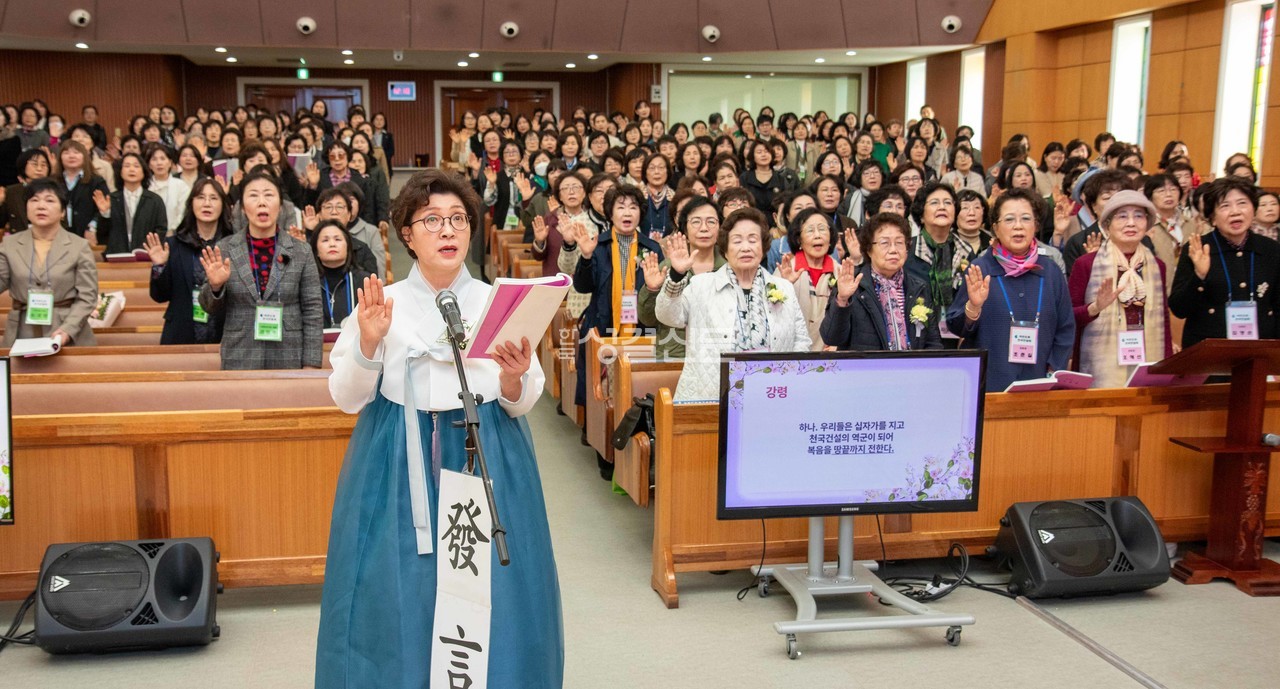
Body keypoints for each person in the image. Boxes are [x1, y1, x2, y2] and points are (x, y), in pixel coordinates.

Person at [318, 168, 562, 688]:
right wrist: (366, 344)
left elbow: (523, 401)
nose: (447, 230)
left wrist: (516, 380)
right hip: (396, 455)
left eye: (458, 219)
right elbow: (345, 397)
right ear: (407, 234)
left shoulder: (500, 299)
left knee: (497, 592)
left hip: (487, 448)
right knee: (399, 589)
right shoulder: (382, 303)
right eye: (432, 220)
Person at [654, 207, 810, 400]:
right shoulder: (702, 285)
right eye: (737, 241)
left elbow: (801, 341)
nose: (746, 247)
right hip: (709, 398)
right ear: (725, 250)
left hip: (769, 397)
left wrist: (789, 382)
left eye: (753, 240)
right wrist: (676, 276)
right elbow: (667, 315)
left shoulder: (783, 288)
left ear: (763, 248)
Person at [947, 189, 1075, 392]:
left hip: (1040, 382)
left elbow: (1066, 327)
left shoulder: (1050, 271)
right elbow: (956, 326)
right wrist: (974, 306)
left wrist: (1054, 370)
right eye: (1009, 219)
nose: (1018, 226)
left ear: (1036, 225)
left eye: (1026, 218)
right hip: (990, 383)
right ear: (996, 228)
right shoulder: (981, 268)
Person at [199, 170, 323, 369]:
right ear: (241, 207)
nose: (262, 202)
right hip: (240, 355)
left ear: (280, 206)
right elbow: (208, 308)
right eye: (253, 195)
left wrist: (311, 364)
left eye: (269, 195)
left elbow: (313, 311)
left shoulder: (302, 251)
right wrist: (215, 287)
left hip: (289, 356)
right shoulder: (224, 249)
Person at [564, 185, 664, 411]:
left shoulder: (652, 248)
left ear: (641, 212)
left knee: (637, 392)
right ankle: (598, 431)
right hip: (602, 325)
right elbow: (581, 286)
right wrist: (587, 257)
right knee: (602, 390)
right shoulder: (597, 245)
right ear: (610, 213)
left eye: (633, 207)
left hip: (641, 328)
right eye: (620, 207)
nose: (627, 213)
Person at [1069, 191, 1173, 387]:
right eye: (1122, 216)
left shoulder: (1157, 266)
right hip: (1100, 368)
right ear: (1107, 225)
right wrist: (1095, 307)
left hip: (1146, 360)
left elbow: (1163, 321)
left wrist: (1165, 369)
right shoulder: (1086, 264)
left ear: (1148, 223)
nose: (1131, 223)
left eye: (1139, 216)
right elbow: (1068, 317)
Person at [1169, 177, 1280, 348]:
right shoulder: (1197, 248)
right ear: (1212, 217)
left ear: (1253, 209)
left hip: (1259, 352)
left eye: (1242, 203)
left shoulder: (1271, 249)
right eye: (1225, 206)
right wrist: (1199, 276)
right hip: (1207, 352)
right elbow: (1179, 308)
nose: (1235, 211)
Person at [821, 213, 943, 352]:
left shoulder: (918, 287)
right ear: (868, 249)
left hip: (911, 371)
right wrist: (842, 300)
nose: (893, 250)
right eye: (885, 243)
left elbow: (933, 343)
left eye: (899, 243)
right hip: (867, 371)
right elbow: (831, 338)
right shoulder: (854, 284)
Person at [0, 178, 98, 346]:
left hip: (66, 331)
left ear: (62, 212)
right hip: (21, 332)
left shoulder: (78, 246)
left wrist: (67, 330)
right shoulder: (10, 244)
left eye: (49, 200)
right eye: (34, 200)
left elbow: (87, 296)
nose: (41, 206)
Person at [144, 177, 234, 345]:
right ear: (191, 204)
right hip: (181, 333)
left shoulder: (234, 246)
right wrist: (159, 266)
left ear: (223, 206)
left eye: (214, 198)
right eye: (200, 197)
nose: (207, 203)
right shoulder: (173, 245)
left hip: (225, 335)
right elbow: (159, 296)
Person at [638, 196, 726, 359]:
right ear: (684, 228)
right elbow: (647, 319)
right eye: (696, 222)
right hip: (675, 356)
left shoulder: (729, 269)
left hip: (718, 358)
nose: (704, 228)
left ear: (720, 227)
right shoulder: (668, 267)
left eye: (711, 222)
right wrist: (651, 289)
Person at [775, 208, 840, 349]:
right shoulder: (785, 270)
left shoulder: (840, 272)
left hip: (831, 358)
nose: (817, 235)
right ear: (799, 239)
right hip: (792, 356)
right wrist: (786, 286)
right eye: (810, 230)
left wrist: (839, 345)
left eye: (822, 229)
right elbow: (771, 315)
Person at [99, 152, 169, 255]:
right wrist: (105, 214)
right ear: (120, 172)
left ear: (144, 171)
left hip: (147, 256)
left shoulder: (155, 200)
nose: (132, 169)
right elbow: (101, 236)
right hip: (116, 257)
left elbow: (161, 230)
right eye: (127, 166)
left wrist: (143, 250)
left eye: (136, 166)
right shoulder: (111, 199)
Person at [310, 219, 372, 329]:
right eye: (325, 240)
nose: (332, 244)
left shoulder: (364, 281)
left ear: (348, 246)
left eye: (338, 239)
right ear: (316, 251)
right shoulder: (308, 282)